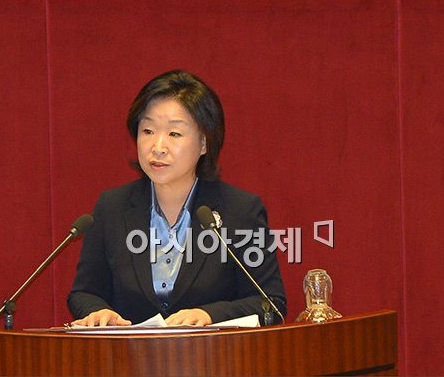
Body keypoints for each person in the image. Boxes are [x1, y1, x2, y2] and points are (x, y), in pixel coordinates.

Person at [68, 70, 286, 327]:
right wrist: (99, 312)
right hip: (130, 351)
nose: (158, 147)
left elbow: (271, 303)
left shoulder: (240, 210)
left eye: (174, 134)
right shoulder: (111, 207)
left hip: (213, 351)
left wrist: (209, 315)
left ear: (204, 143)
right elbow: (84, 293)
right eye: (148, 130)